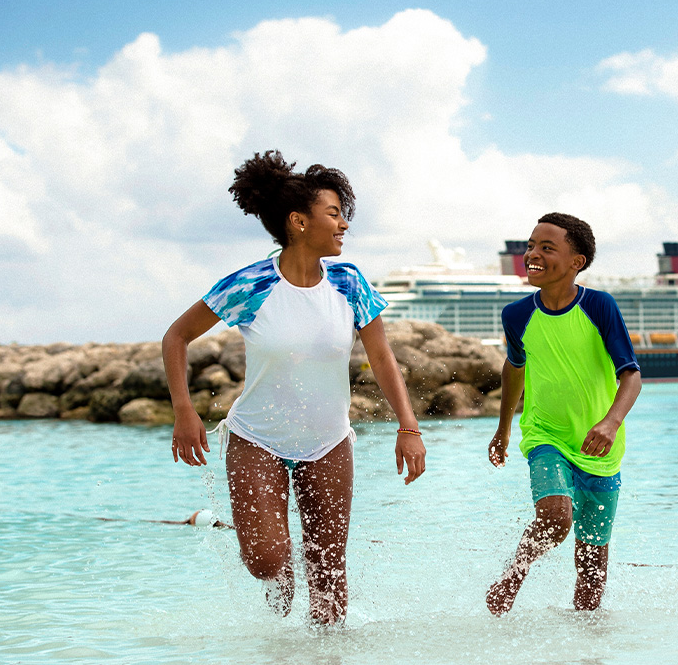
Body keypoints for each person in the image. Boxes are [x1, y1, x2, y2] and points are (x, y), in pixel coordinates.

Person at [162, 150, 426, 625]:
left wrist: (408, 426)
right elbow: (176, 337)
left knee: (329, 572)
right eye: (333, 214)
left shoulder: (349, 282)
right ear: (298, 222)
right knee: (266, 559)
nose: (344, 224)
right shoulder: (252, 283)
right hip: (256, 439)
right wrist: (184, 410)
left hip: (328, 440)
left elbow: (382, 356)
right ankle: (281, 591)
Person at [486, 213, 641, 615]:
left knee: (592, 570)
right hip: (546, 436)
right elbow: (515, 367)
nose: (532, 254)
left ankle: (587, 660)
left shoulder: (599, 306)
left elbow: (631, 377)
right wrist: (503, 430)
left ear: (577, 261)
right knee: (555, 517)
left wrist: (610, 423)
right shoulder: (517, 315)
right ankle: (512, 577)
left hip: (600, 448)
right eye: (531, 246)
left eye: (547, 248)